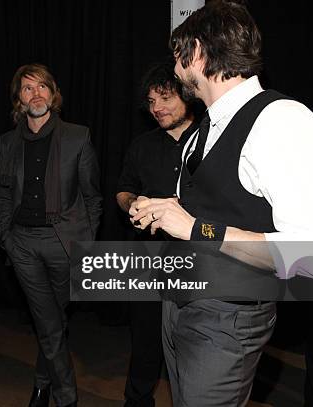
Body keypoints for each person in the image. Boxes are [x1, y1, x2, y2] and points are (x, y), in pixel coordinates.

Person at [130, 1, 313, 406]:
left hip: (226, 318)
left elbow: (309, 255)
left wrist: (198, 229)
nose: (175, 67)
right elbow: (211, 205)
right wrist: (164, 209)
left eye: (177, 56)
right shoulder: (205, 127)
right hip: (178, 300)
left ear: (196, 52)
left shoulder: (281, 119)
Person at [0, 63, 102, 407]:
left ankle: (42, 383)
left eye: (42, 87)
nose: (36, 94)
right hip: (23, 244)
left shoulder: (77, 135)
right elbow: (3, 193)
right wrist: (6, 239)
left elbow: (92, 197)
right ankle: (67, 397)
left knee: (51, 323)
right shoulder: (8, 142)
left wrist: (84, 246)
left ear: (53, 95)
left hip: (65, 243)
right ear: (19, 100)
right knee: (49, 321)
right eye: (27, 89)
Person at [115, 60, 197, 407]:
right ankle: (136, 401)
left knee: (194, 344)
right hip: (147, 258)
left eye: (164, 98)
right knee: (145, 341)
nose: (156, 108)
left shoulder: (211, 139)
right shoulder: (142, 145)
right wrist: (133, 204)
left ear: (187, 95)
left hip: (198, 259)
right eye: (150, 102)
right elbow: (122, 189)